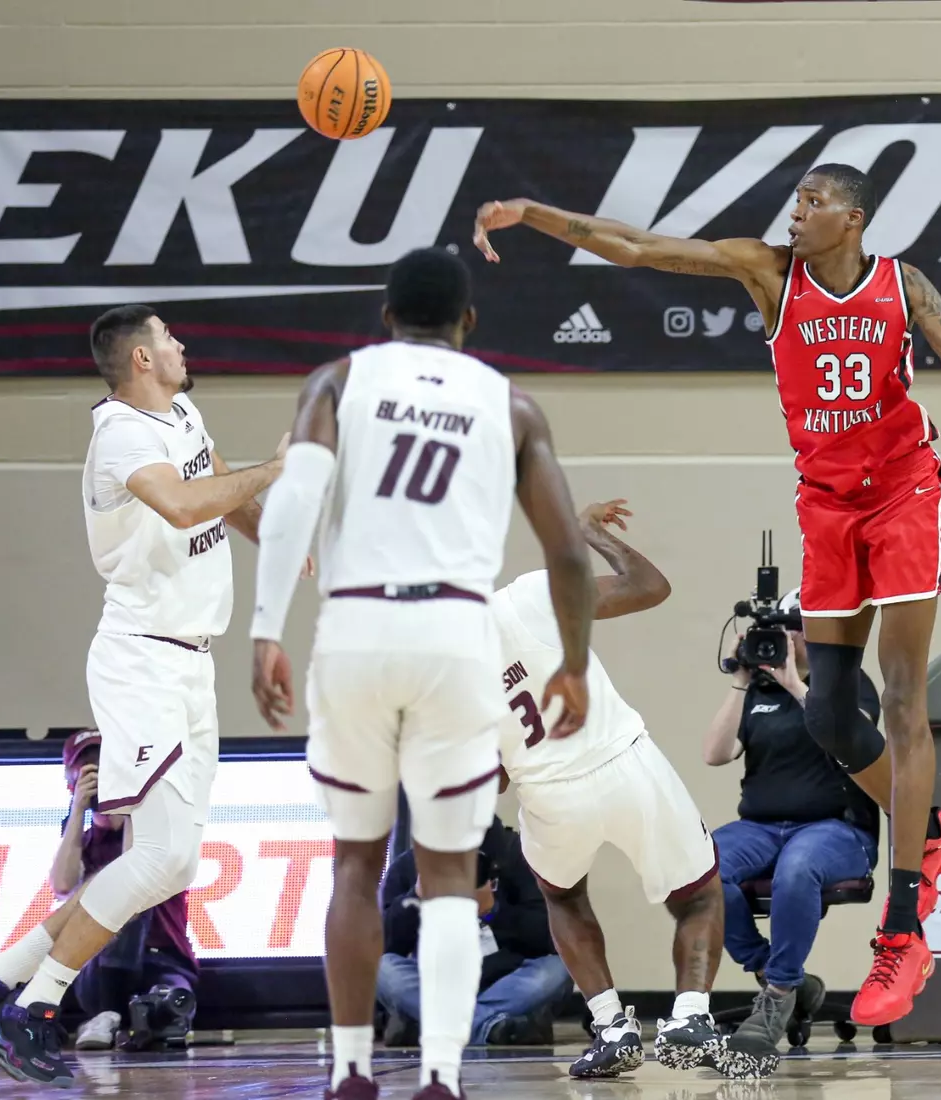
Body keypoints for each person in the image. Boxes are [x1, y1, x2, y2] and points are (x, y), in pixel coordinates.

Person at [473, 164, 941, 1024]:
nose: (796, 213)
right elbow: (636, 247)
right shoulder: (768, 273)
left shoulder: (902, 283)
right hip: (826, 503)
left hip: (904, 493)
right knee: (832, 718)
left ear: (854, 217)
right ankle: (932, 823)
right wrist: (533, 210)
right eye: (795, 201)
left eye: (814, 203)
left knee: (907, 696)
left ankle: (903, 928)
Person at [246, 247, 597, 1100]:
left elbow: (292, 501)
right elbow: (570, 555)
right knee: (447, 875)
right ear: (468, 322)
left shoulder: (338, 381)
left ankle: (353, 1070)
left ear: (385, 318)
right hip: (454, 633)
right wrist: (575, 667)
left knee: (357, 865)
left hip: (358, 625)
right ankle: (441, 1074)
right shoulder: (509, 404)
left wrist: (263, 629)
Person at [0, 305, 285, 1089]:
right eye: (171, 338)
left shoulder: (180, 410)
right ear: (141, 358)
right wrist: (284, 466)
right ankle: (33, 1007)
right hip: (142, 660)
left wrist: (273, 531)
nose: (183, 343)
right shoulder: (121, 435)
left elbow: (210, 492)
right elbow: (179, 504)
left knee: (168, 866)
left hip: (190, 662)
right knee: (163, 854)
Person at [490, 500, 753, 1077]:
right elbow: (649, 586)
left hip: (547, 792)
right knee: (700, 895)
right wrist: (589, 533)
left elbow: (493, 775)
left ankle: (612, 1027)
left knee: (562, 896)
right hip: (624, 764)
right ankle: (688, 1018)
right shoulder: (528, 597)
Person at [703, 588, 880, 1062]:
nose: (785, 637)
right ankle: (776, 974)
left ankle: (778, 996)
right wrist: (740, 682)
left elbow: (856, 736)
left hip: (837, 829)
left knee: (797, 869)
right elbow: (715, 754)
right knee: (697, 866)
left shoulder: (846, 681)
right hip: (761, 827)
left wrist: (797, 686)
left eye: (793, 627)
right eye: (779, 628)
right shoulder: (756, 690)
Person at [55, 730, 199, 1053]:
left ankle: (128, 1019)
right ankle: (110, 1011)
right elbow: (62, 885)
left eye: (107, 764)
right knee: (121, 897)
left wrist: (131, 801)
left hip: (162, 963)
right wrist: (77, 809)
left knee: (175, 1005)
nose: (101, 774)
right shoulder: (81, 841)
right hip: (99, 967)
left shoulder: (158, 831)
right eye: (89, 768)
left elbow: (136, 870)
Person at [377, 818, 572, 1049]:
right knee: (382, 968)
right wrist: (417, 896)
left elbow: (546, 936)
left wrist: (493, 912)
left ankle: (430, 1024)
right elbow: (387, 944)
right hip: (438, 981)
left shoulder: (517, 855)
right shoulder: (411, 865)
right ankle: (492, 1026)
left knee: (559, 969)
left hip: (507, 979)